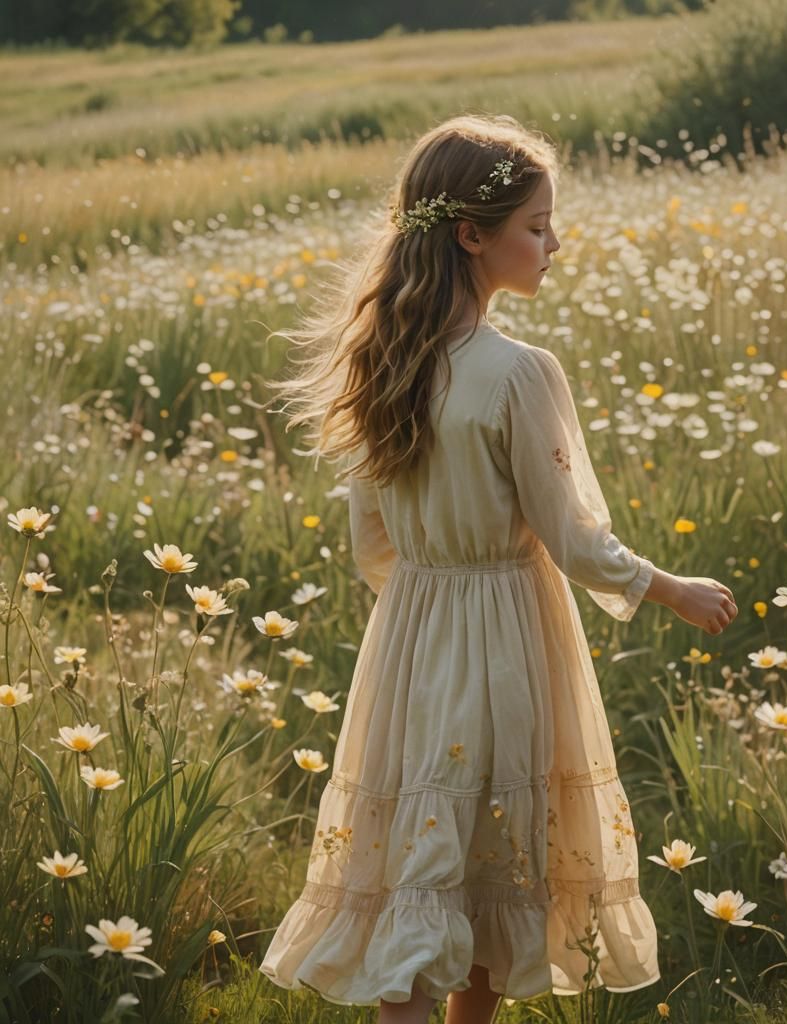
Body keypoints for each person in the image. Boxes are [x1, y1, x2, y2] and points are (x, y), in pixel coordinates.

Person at [257, 113, 738, 1024]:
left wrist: (425, 608)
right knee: (495, 853)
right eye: (536, 226)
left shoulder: (384, 363)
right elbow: (574, 537)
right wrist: (670, 589)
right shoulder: (517, 372)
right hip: (510, 636)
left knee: (426, 858)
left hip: (411, 637)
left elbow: (372, 542)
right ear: (471, 235)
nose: (554, 243)